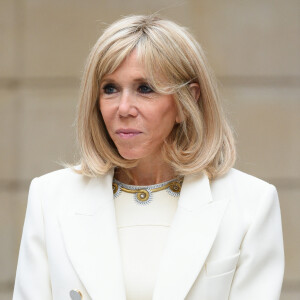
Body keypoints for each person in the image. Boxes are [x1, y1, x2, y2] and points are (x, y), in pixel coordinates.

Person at [13, 15, 284, 300]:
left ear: (186, 103)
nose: (124, 108)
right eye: (110, 89)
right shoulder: (50, 198)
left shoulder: (251, 205)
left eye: (145, 88)